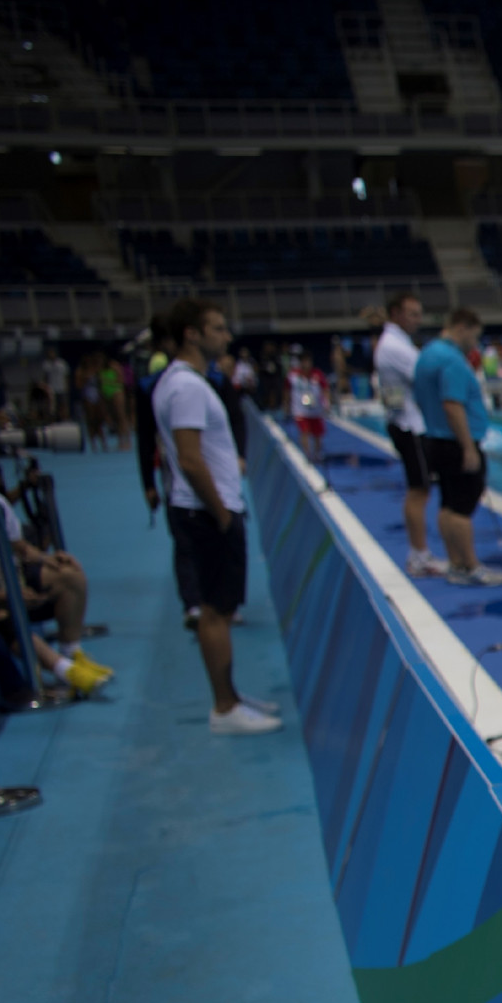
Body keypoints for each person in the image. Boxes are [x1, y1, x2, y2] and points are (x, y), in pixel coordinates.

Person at [154, 296, 280, 734]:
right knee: (214, 611)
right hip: (207, 512)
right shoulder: (187, 387)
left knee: (220, 610)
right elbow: (190, 460)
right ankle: (224, 708)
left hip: (204, 509)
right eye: (218, 328)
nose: (227, 336)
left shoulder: (183, 382)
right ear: (192, 334)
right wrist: (222, 514)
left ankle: (231, 696)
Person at [0, 459, 110, 698]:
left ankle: (71, 653)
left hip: (9, 583)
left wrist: (49, 559)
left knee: (69, 576)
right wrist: (4, 595)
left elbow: (20, 546)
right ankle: (65, 670)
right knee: (0, 617)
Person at [411, 306, 502, 588]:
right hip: (455, 442)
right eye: (473, 337)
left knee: (448, 504)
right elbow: (453, 406)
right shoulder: (451, 360)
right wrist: (468, 447)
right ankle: (472, 567)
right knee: (462, 508)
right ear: (461, 327)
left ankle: (456, 565)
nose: (474, 344)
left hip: (435, 439)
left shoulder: (428, 354)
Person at [373, 292, 443, 577]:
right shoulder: (393, 346)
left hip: (406, 423)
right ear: (396, 314)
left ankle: (419, 554)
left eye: (419, 314)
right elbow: (426, 376)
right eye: (412, 314)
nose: (418, 319)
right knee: (419, 490)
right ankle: (418, 556)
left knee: (420, 489)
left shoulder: (394, 342)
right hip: (409, 426)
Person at [286, 347, 329, 465]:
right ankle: (307, 454)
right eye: (304, 361)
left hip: (315, 410)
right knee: (304, 431)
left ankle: (317, 453)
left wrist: (326, 403)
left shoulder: (317, 374)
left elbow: (325, 388)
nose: (306, 364)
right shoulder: (293, 375)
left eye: (308, 361)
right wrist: (286, 405)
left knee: (317, 434)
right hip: (300, 410)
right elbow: (286, 391)